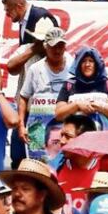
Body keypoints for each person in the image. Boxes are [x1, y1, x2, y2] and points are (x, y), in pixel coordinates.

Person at [14, 27, 72, 163]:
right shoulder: (35, 68)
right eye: (53, 46)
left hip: (64, 127)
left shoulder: (72, 67)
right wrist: (21, 126)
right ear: (46, 47)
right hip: (37, 127)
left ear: (65, 46)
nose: (57, 50)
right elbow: (23, 96)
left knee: (63, 163)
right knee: (37, 166)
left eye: (61, 46)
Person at [53, 48, 108, 130]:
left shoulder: (107, 83)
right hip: (76, 139)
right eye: (83, 61)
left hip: (103, 139)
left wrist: (100, 107)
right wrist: (77, 105)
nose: (87, 64)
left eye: (91, 61)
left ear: (97, 64)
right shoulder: (69, 84)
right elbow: (58, 115)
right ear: (78, 64)